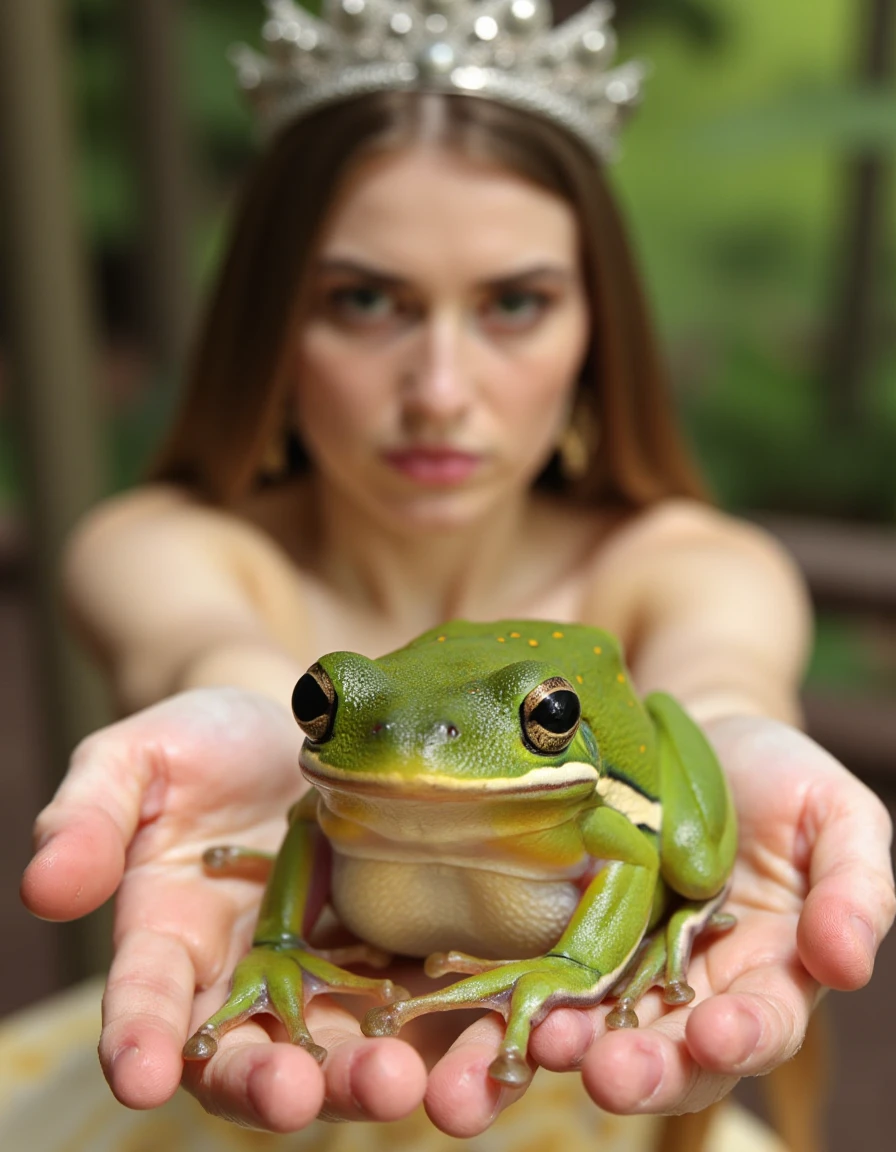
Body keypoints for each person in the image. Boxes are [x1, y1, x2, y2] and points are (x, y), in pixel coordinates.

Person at [19, 1, 895, 1147]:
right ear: (271, 323)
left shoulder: (682, 562)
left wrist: (731, 752)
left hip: (585, 1070)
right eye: (365, 301)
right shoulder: (167, 542)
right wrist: (261, 721)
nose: (438, 385)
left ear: (597, 329)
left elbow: (717, 677)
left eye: (513, 304)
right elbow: (207, 646)